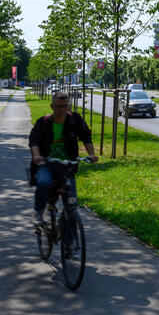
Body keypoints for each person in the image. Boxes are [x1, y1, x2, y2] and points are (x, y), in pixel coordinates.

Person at [28, 90, 98, 228]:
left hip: (68, 166)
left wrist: (91, 154)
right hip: (47, 164)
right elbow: (34, 140)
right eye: (59, 106)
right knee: (43, 183)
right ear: (52, 106)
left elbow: (85, 136)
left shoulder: (74, 120)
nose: (63, 110)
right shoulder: (44, 122)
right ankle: (38, 212)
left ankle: (71, 245)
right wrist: (36, 155)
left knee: (71, 204)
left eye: (65, 106)